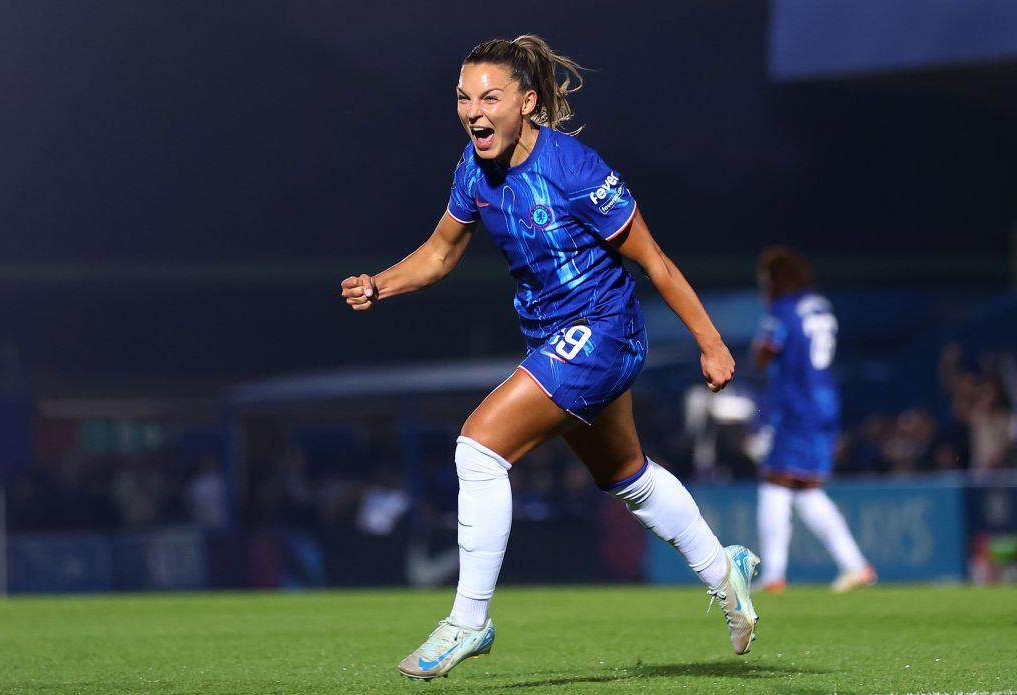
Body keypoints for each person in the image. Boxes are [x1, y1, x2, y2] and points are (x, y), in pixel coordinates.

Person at [341, 35, 759, 681]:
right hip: (555, 339)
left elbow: (654, 260)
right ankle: (721, 567)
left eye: (489, 97)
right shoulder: (473, 168)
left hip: (603, 331)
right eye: (463, 97)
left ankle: (469, 619)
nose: (473, 111)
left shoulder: (576, 168)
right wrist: (380, 283)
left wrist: (710, 341)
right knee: (626, 473)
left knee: (478, 448)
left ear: (527, 102)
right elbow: (440, 252)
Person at [752, 246, 876, 593]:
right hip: (825, 402)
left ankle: (774, 575)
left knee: (774, 481)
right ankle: (855, 565)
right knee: (806, 488)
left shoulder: (783, 308)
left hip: (796, 405)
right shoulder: (820, 304)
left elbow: (764, 353)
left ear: (778, 278)